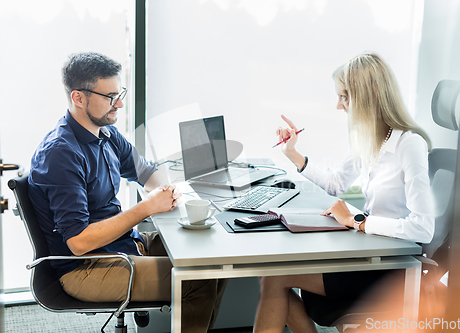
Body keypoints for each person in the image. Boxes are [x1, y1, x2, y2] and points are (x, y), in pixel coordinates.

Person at [29, 52, 226, 332]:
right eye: (110, 97)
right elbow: (79, 242)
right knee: (199, 278)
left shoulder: (106, 134)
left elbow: (147, 173)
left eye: (119, 93)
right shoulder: (61, 153)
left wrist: (169, 189)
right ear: (78, 98)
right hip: (85, 266)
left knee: (215, 260)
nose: (119, 103)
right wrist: (146, 207)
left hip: (122, 244)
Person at [253, 51, 435, 332]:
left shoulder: (409, 145)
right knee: (270, 276)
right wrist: (292, 153)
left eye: (344, 97)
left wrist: (357, 220)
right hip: (369, 254)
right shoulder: (370, 139)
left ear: (368, 95)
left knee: (274, 277)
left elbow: (423, 229)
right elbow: (335, 183)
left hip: (389, 268)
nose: (339, 106)